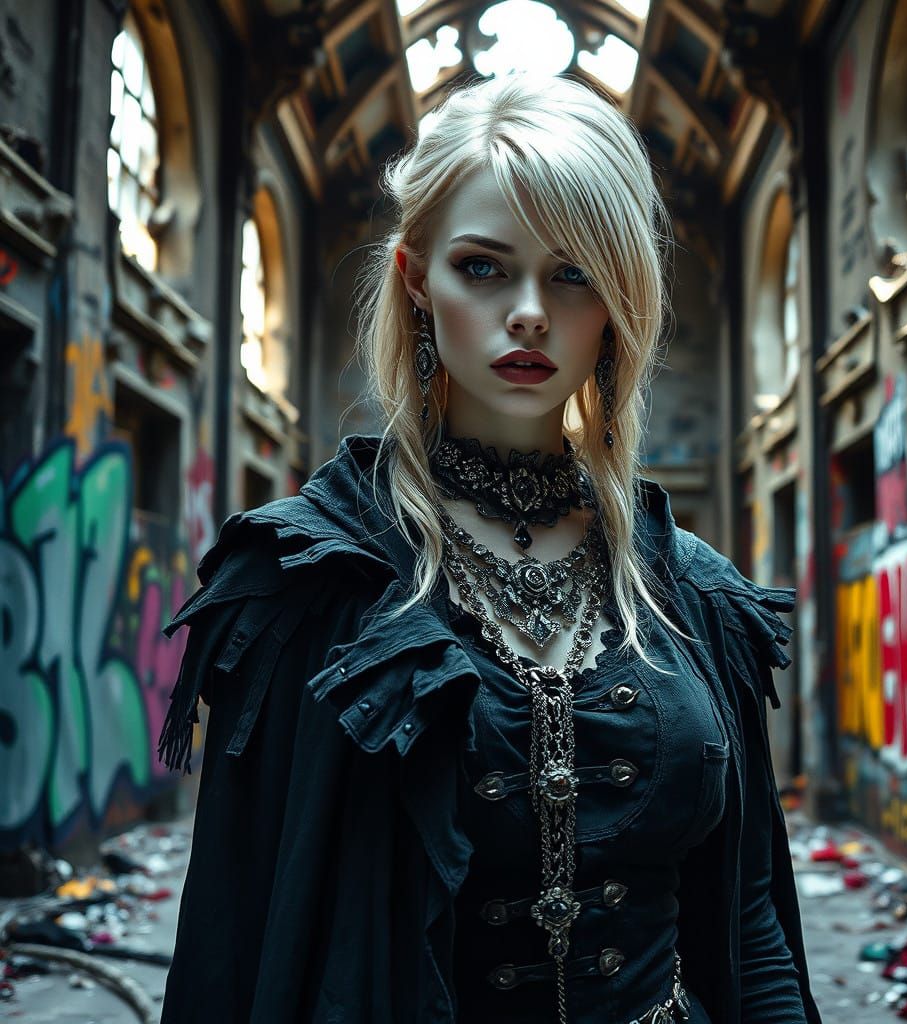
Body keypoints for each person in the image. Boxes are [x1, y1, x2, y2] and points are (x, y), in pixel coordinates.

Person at [157, 72, 821, 1024]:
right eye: (483, 266)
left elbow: (749, 915)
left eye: (574, 271)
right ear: (416, 278)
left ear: (620, 297)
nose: (529, 313)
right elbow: (236, 936)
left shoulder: (696, 595)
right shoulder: (307, 589)